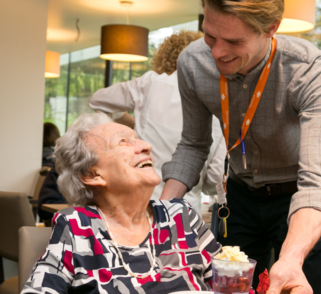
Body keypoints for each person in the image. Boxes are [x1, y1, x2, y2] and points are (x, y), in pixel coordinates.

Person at [160, 1, 321, 294]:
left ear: (271, 29)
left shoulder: (309, 70)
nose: (217, 52)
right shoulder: (192, 63)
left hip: (296, 201)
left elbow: (316, 184)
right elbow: (193, 145)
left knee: (293, 288)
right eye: (209, 36)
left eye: (234, 41)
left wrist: (292, 259)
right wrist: (160, 215)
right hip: (239, 196)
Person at [19, 113, 221, 294]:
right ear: (93, 175)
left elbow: (234, 283)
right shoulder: (78, 227)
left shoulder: (182, 217)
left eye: (138, 138)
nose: (145, 146)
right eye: (123, 141)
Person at [89, 30, 226, 215]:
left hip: (138, 201)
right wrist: (203, 188)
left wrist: (131, 126)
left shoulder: (150, 84)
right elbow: (217, 173)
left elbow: (97, 101)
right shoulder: (218, 97)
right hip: (187, 207)